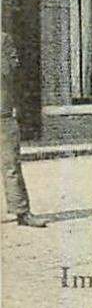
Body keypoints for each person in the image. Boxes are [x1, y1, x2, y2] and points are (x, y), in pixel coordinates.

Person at [1, 30, 46, 228]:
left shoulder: (3, 40)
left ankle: (22, 212)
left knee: (11, 164)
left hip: (2, 113)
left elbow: (11, 71)